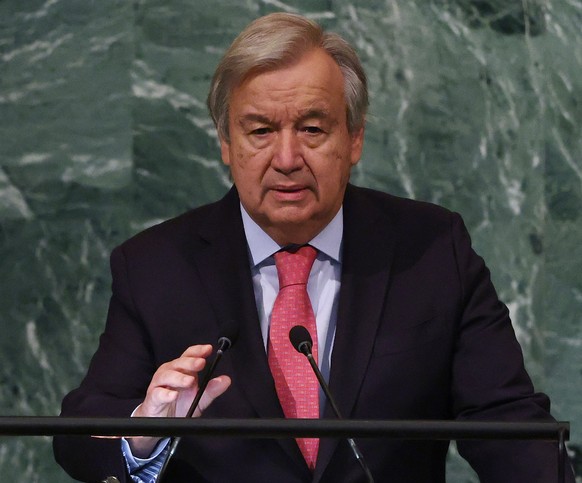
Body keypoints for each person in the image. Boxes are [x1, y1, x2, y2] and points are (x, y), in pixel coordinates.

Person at [53, 12, 575, 483]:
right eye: (260, 130)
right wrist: (143, 434)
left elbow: (506, 422)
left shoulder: (432, 250)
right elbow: (79, 439)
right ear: (225, 144)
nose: (287, 158)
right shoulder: (156, 266)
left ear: (354, 139)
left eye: (311, 128)